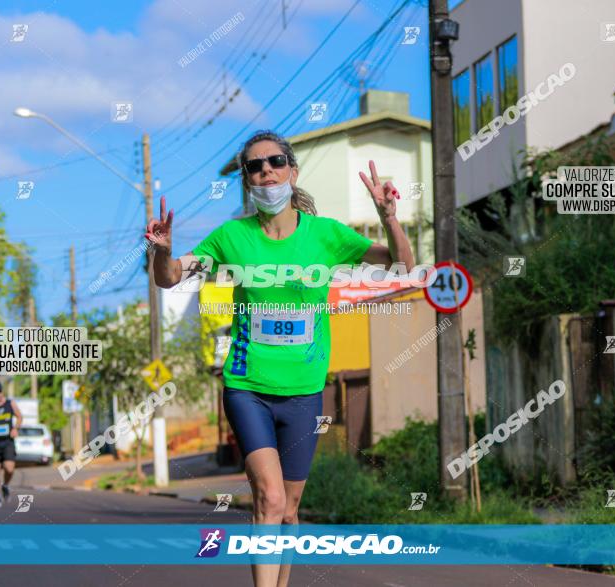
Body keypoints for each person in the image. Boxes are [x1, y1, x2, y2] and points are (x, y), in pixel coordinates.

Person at [147, 130, 415, 587]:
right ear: (248, 181)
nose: (266, 170)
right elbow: (170, 278)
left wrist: (389, 217)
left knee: (289, 509)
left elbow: (403, 268)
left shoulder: (326, 236)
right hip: (248, 387)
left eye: (274, 161)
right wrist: (162, 250)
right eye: (255, 166)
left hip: (305, 392)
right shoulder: (232, 238)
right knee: (268, 497)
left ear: (292, 170)